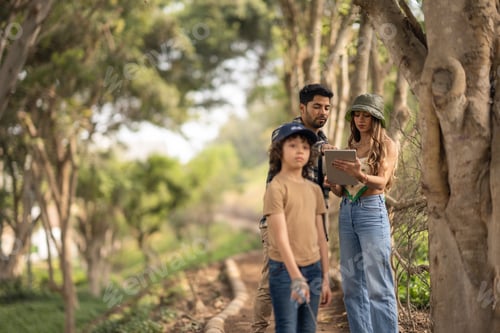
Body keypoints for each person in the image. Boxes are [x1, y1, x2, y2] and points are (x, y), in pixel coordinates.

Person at [251, 83, 335, 333]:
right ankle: (257, 329)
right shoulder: (285, 133)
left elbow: (323, 188)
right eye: (317, 106)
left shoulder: (324, 141)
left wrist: (337, 180)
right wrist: (321, 151)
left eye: (328, 108)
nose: (323, 112)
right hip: (281, 222)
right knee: (270, 284)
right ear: (303, 107)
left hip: (312, 225)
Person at [328, 93, 399, 333]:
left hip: (372, 213)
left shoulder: (388, 145)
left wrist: (360, 175)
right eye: (357, 114)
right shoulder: (351, 147)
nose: (360, 120)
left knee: (378, 286)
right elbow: (342, 191)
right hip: (347, 212)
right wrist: (333, 183)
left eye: (366, 115)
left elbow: (382, 182)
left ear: (376, 119)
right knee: (351, 287)